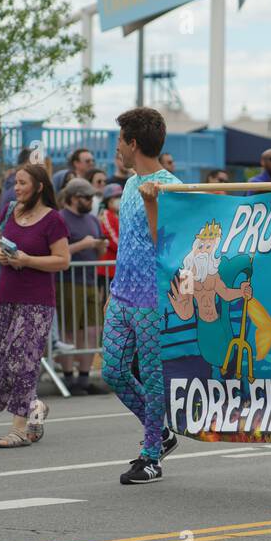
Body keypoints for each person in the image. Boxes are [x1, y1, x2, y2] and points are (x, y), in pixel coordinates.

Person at [102, 107, 182, 484]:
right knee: (113, 371)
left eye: (119, 139)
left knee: (152, 379)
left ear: (133, 143)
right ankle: (161, 431)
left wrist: (155, 202)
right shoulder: (131, 184)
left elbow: (166, 246)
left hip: (153, 300)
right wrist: (113, 289)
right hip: (122, 296)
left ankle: (151, 457)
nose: (116, 146)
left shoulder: (172, 187)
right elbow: (127, 247)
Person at [0, 164, 68, 447]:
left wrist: (28, 260)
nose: (16, 188)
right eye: (15, 183)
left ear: (39, 186)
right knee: (3, 361)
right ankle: (34, 407)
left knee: (24, 361)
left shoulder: (53, 220)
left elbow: (62, 260)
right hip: (6, 296)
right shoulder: (10, 210)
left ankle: (18, 429)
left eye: (22, 183)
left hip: (36, 302)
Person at [56, 177, 108, 396]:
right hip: (68, 281)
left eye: (91, 197)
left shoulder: (93, 220)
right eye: (85, 197)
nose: (89, 201)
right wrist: (82, 245)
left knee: (93, 329)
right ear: (72, 197)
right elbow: (56, 251)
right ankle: (69, 379)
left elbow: (99, 251)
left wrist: (100, 247)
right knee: (69, 331)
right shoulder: (60, 219)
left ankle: (84, 379)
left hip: (89, 280)